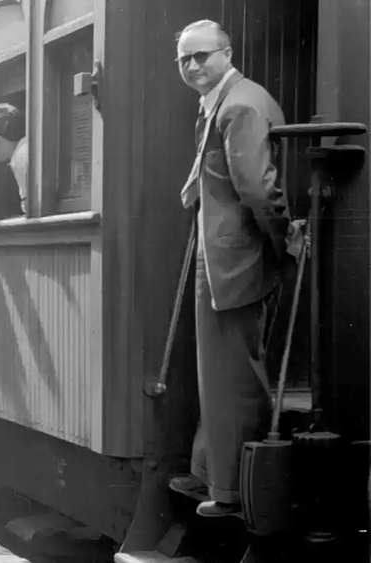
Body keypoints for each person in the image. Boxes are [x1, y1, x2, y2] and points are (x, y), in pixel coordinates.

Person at [167, 20, 288, 518]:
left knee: (232, 374)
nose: (194, 65)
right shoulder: (223, 101)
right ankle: (213, 476)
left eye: (202, 56)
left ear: (228, 52)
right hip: (223, 253)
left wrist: (282, 240)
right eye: (185, 59)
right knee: (219, 372)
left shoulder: (238, 104)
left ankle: (234, 491)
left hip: (232, 257)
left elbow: (257, 187)